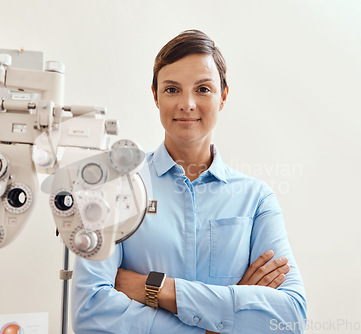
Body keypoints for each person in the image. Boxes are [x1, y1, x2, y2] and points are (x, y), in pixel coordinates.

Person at [70, 29, 307, 333]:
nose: (187, 104)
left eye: (203, 89)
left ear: (223, 96)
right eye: (172, 89)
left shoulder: (256, 199)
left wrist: (155, 288)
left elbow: (290, 318)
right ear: (155, 95)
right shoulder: (114, 183)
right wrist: (225, 321)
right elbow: (89, 313)